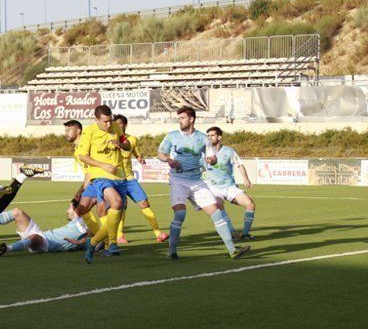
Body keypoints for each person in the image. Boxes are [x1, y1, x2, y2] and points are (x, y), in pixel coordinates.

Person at [156, 107, 250, 261]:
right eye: (179, 118)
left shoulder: (202, 138)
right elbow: (160, 153)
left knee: (216, 212)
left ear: (191, 119)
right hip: (178, 180)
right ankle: (171, 251)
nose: (180, 121)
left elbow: (212, 157)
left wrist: (211, 159)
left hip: (197, 181)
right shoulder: (172, 136)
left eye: (182, 118)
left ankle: (233, 250)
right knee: (180, 214)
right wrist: (169, 159)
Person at [76, 105, 131, 263]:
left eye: (110, 121)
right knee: (117, 202)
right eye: (105, 122)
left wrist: (121, 145)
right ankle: (112, 243)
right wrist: (103, 166)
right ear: (97, 120)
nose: (109, 125)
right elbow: (83, 156)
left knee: (116, 212)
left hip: (119, 176)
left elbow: (127, 145)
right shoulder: (89, 132)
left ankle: (92, 243)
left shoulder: (116, 127)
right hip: (100, 176)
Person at [112, 114, 169, 245]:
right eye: (115, 124)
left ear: (125, 125)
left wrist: (140, 157)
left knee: (144, 203)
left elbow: (137, 152)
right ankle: (120, 236)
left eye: (119, 123)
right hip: (116, 178)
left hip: (129, 178)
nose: (117, 126)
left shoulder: (132, 139)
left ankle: (158, 233)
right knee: (121, 207)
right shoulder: (110, 139)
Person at [0, 203, 90, 257]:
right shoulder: (77, 225)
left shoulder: (83, 223)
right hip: (41, 235)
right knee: (17, 212)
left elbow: (93, 237)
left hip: (46, 244)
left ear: (76, 210)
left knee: (35, 237)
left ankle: (7, 249)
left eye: (69, 208)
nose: (67, 211)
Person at [204, 126, 256, 240]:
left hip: (229, 187)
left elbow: (240, 165)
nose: (209, 138)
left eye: (212, 135)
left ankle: (245, 233)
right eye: (208, 136)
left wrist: (246, 179)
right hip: (214, 188)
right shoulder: (204, 152)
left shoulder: (229, 151)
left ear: (219, 137)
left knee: (250, 204)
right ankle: (232, 233)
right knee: (219, 207)